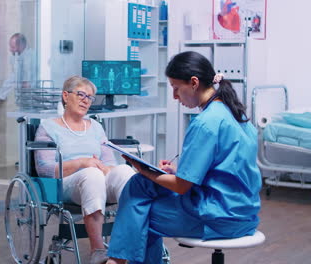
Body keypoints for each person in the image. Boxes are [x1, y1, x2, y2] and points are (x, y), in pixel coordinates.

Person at [106, 51, 262, 264]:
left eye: (176, 88)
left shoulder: (205, 123)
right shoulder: (237, 115)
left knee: (139, 213)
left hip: (219, 217)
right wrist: (176, 172)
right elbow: (227, 171)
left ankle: (115, 261)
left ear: (194, 83)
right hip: (245, 214)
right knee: (140, 185)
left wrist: (145, 169)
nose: (175, 96)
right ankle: (116, 261)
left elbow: (181, 187)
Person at [34, 76, 136, 264]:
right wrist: (82, 163)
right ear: (65, 96)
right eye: (81, 94)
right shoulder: (47, 127)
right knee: (91, 174)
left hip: (96, 179)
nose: (86, 100)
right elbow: (45, 170)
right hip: (66, 185)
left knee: (124, 171)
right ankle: (97, 250)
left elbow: (108, 161)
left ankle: (123, 248)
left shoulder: (96, 127)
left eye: (90, 97)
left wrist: (105, 168)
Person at [0, 33, 35, 106]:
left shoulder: (30, 57)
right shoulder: (17, 57)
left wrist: (0, 96)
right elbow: (13, 78)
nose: (10, 49)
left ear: (21, 46)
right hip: (24, 99)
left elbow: (26, 83)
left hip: (34, 98)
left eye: (13, 47)